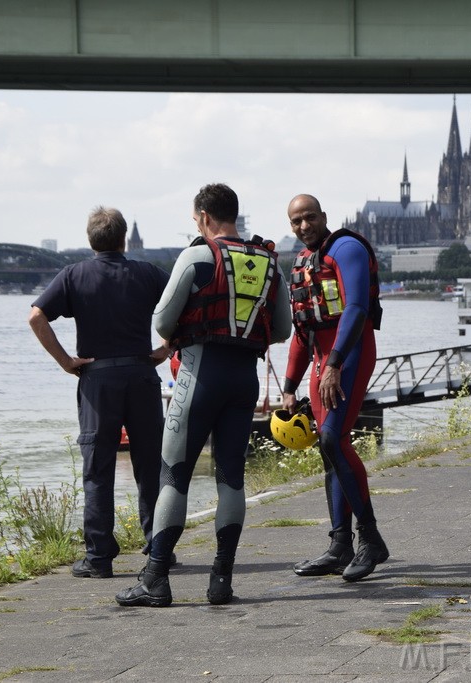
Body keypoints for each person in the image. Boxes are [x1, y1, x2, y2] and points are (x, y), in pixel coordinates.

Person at [116, 183, 292, 607]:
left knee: (173, 477)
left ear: (204, 217)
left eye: (196, 219)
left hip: (199, 377)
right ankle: (221, 581)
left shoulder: (197, 255)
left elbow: (162, 321)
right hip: (243, 382)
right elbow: (284, 330)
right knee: (231, 478)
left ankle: (155, 579)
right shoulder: (270, 262)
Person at [28, 207, 169, 579]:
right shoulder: (147, 273)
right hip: (141, 376)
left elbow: (35, 316)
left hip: (97, 380)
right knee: (151, 466)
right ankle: (158, 549)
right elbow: (187, 304)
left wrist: (65, 361)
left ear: (91, 239)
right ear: (124, 239)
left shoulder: (73, 275)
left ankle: (99, 557)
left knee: (98, 469)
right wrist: (166, 348)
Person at [282, 194, 388, 582]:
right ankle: (340, 545)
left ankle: (371, 539)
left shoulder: (347, 249)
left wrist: (335, 365)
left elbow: (357, 308)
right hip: (320, 360)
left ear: (323, 216)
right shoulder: (302, 262)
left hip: (350, 352)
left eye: (310, 217)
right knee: (330, 451)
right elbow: (301, 330)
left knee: (332, 440)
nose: (304, 226)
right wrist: (290, 386)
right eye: (296, 221)